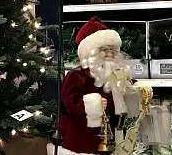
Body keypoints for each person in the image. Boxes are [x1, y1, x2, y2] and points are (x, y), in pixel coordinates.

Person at [51, 17, 151, 155]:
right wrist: (93, 105)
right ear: (92, 52)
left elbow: (129, 86)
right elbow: (68, 104)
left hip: (113, 137)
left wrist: (140, 90)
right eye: (105, 50)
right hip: (83, 139)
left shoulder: (117, 73)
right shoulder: (77, 75)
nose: (110, 54)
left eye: (112, 49)